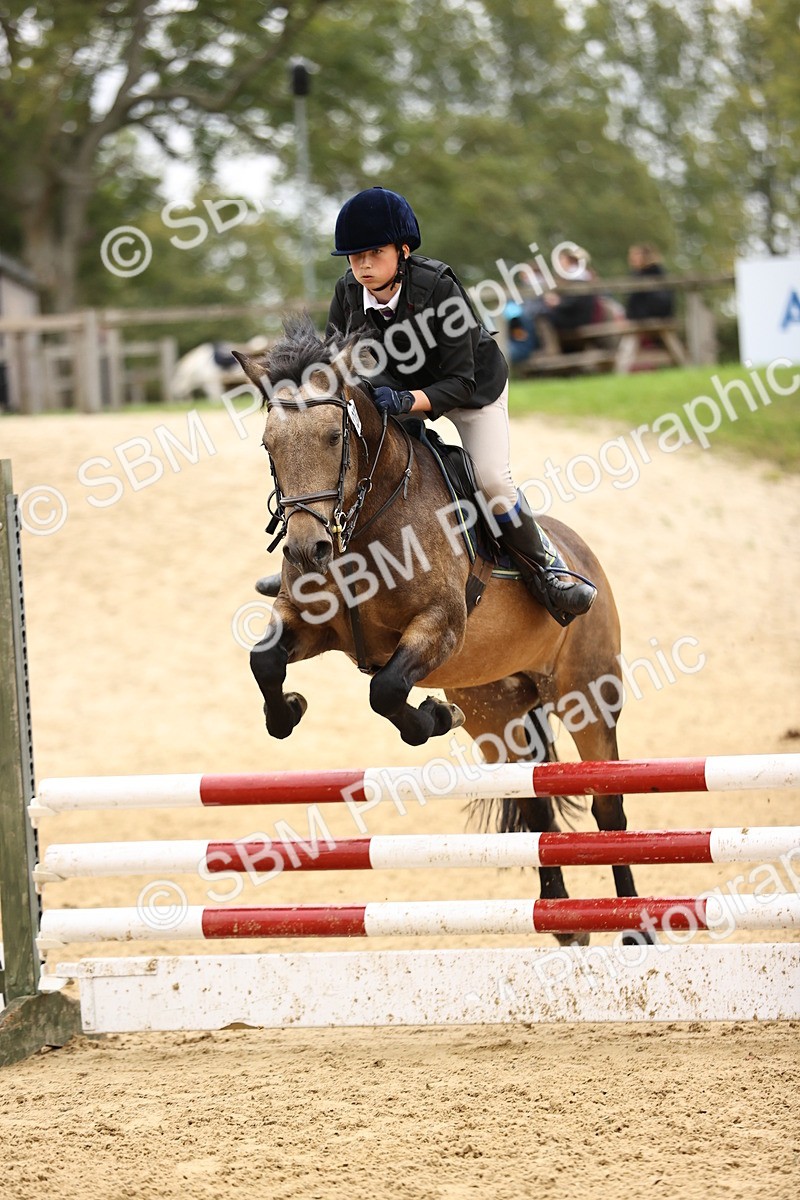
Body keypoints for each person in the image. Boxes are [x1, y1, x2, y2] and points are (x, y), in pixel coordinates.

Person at [256, 186, 596, 623]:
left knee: (492, 480)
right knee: (346, 459)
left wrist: (406, 400)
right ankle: (303, 567)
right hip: (396, 394)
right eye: (355, 256)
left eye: (374, 253)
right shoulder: (348, 292)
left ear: (402, 251)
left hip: (470, 390)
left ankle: (546, 570)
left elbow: (460, 381)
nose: (363, 265)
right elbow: (337, 369)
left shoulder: (438, 287)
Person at [625, 245, 675, 320]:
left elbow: (662, 301)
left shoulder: (655, 272)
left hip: (653, 315)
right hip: (642, 316)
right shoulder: (636, 274)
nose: (633, 259)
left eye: (637, 255)